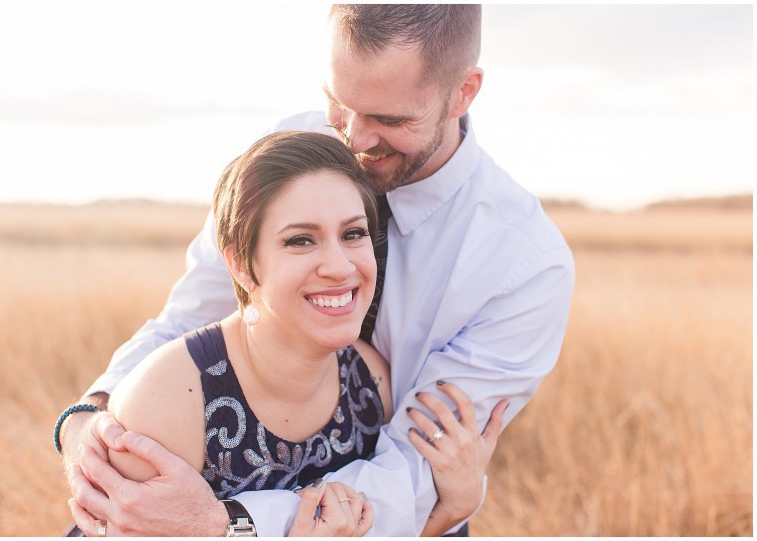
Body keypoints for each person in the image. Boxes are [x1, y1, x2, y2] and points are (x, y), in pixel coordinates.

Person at [61, 4, 574, 536]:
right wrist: (91, 412)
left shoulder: (527, 265)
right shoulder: (292, 147)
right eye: (338, 103)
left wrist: (229, 525)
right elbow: (191, 315)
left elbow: (421, 473)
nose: (354, 138)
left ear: (464, 92)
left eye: (390, 119)